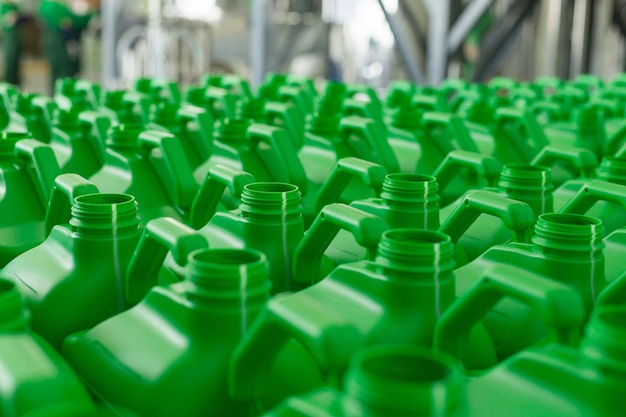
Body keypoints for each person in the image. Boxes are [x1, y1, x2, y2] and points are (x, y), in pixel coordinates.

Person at [39, 0, 99, 91]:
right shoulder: (51, 5)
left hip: (69, 41)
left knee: (70, 72)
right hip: (60, 43)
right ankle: (61, 96)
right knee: (62, 73)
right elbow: (66, 20)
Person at [0, 0, 21, 85]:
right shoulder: (4, 7)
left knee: (15, 62)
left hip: (16, 37)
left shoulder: (14, 6)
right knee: (10, 62)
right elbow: (10, 21)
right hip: (9, 38)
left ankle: (14, 82)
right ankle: (9, 83)